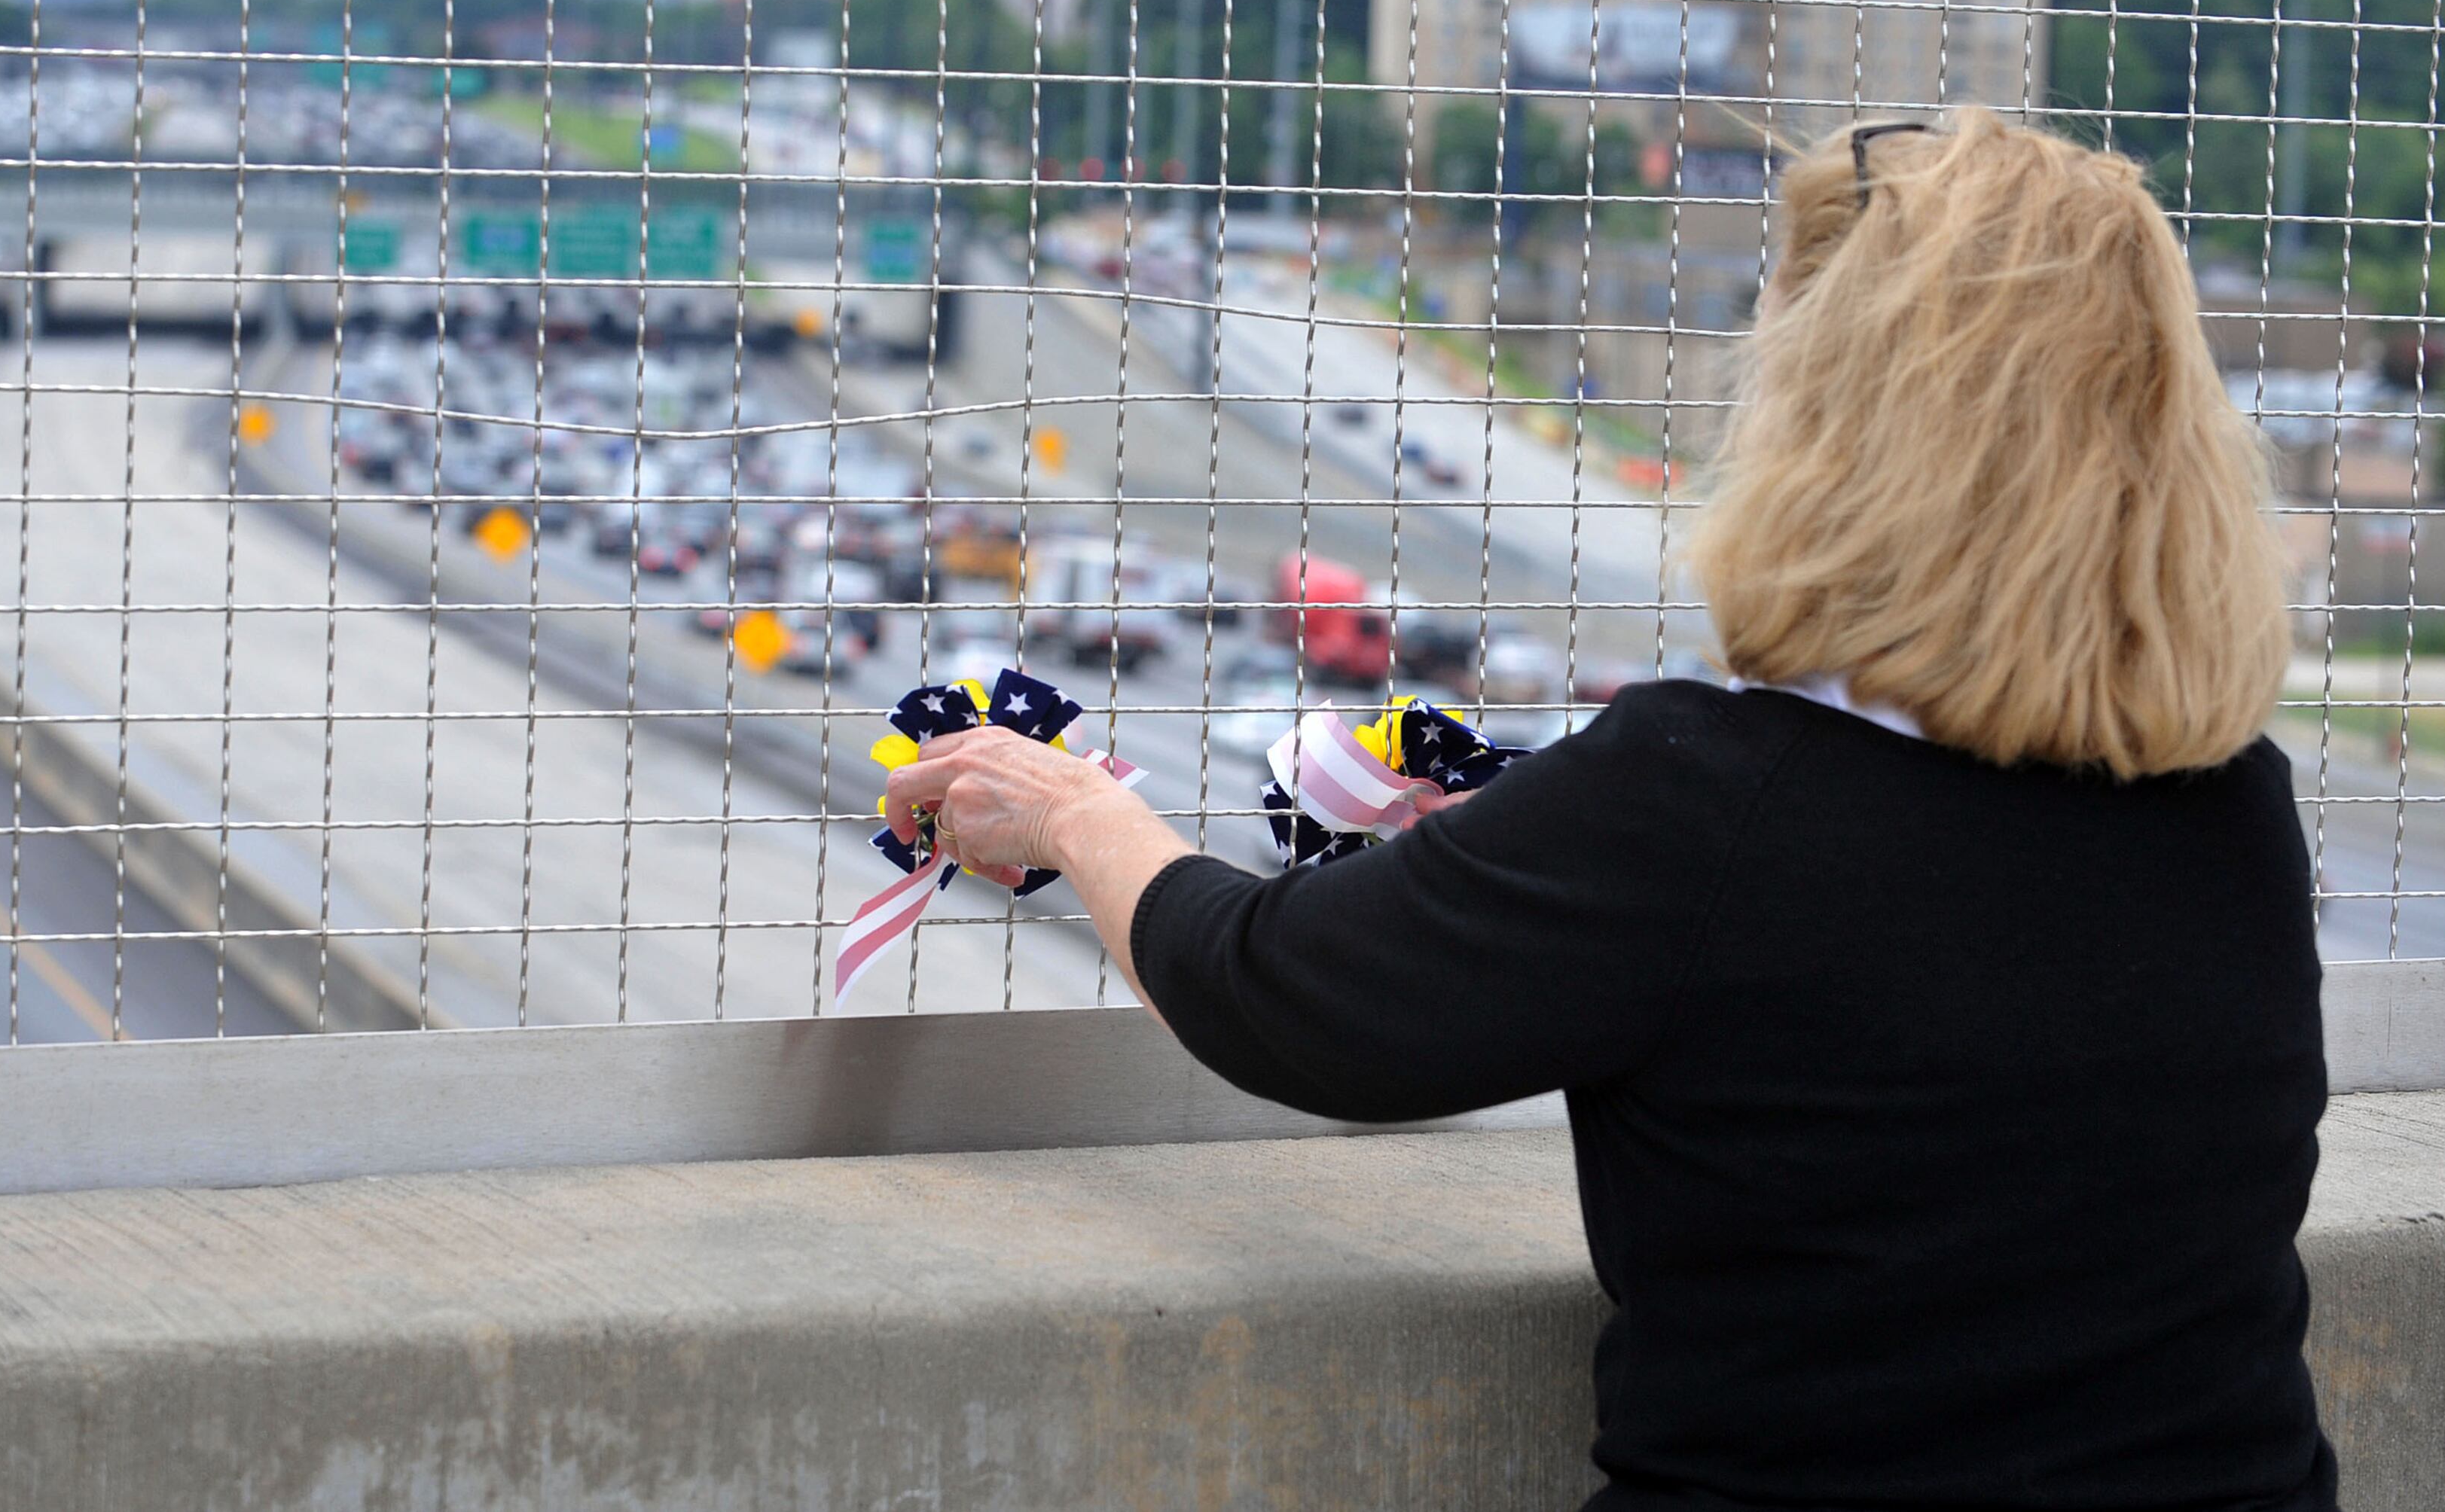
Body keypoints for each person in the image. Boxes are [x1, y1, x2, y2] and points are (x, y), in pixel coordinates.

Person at [881, 109, 2333, 1512]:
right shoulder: (2235, 815)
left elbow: (1285, 997)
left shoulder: (1710, 805)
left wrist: (1078, 810)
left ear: (1836, 428)